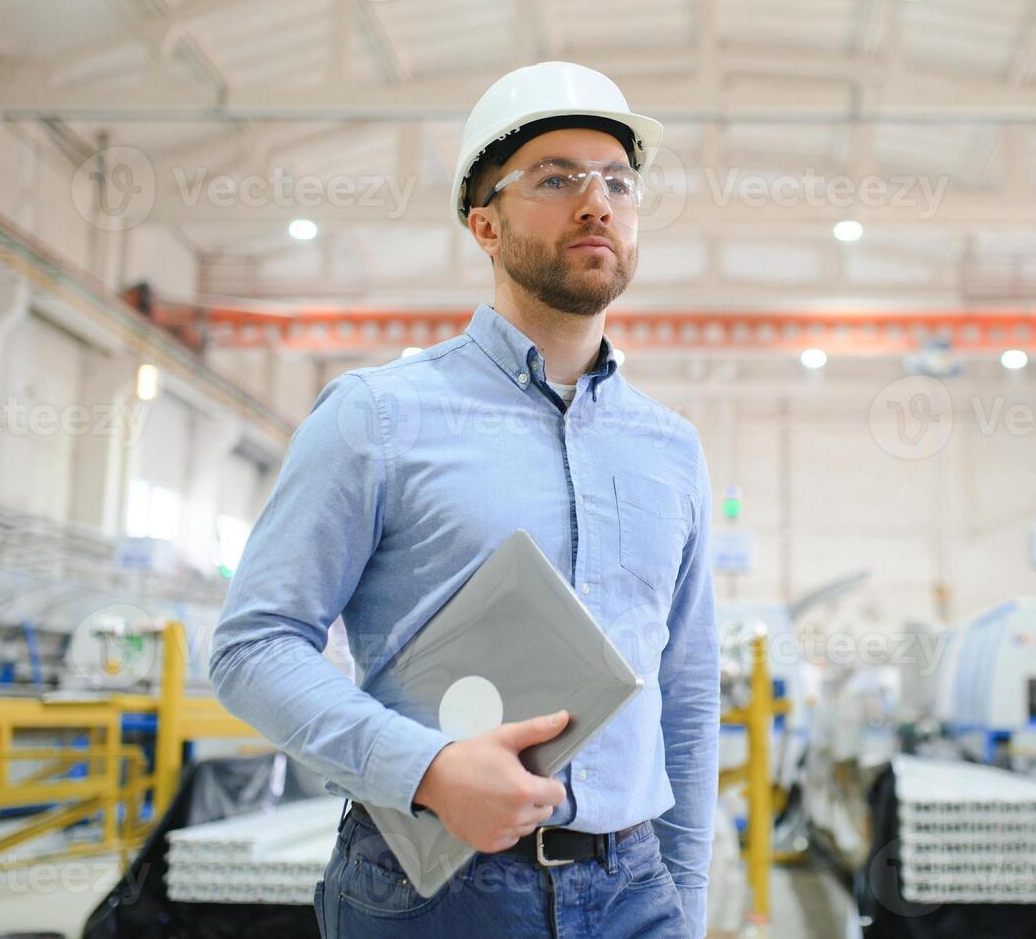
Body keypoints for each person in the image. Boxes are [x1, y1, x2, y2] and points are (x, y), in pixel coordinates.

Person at [209, 61, 718, 938]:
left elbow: (686, 685)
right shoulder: (378, 416)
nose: (597, 203)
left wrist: (685, 894)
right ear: (483, 223)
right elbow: (253, 647)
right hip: (435, 895)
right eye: (556, 179)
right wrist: (429, 768)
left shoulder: (670, 448)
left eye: (618, 182)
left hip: (636, 891)